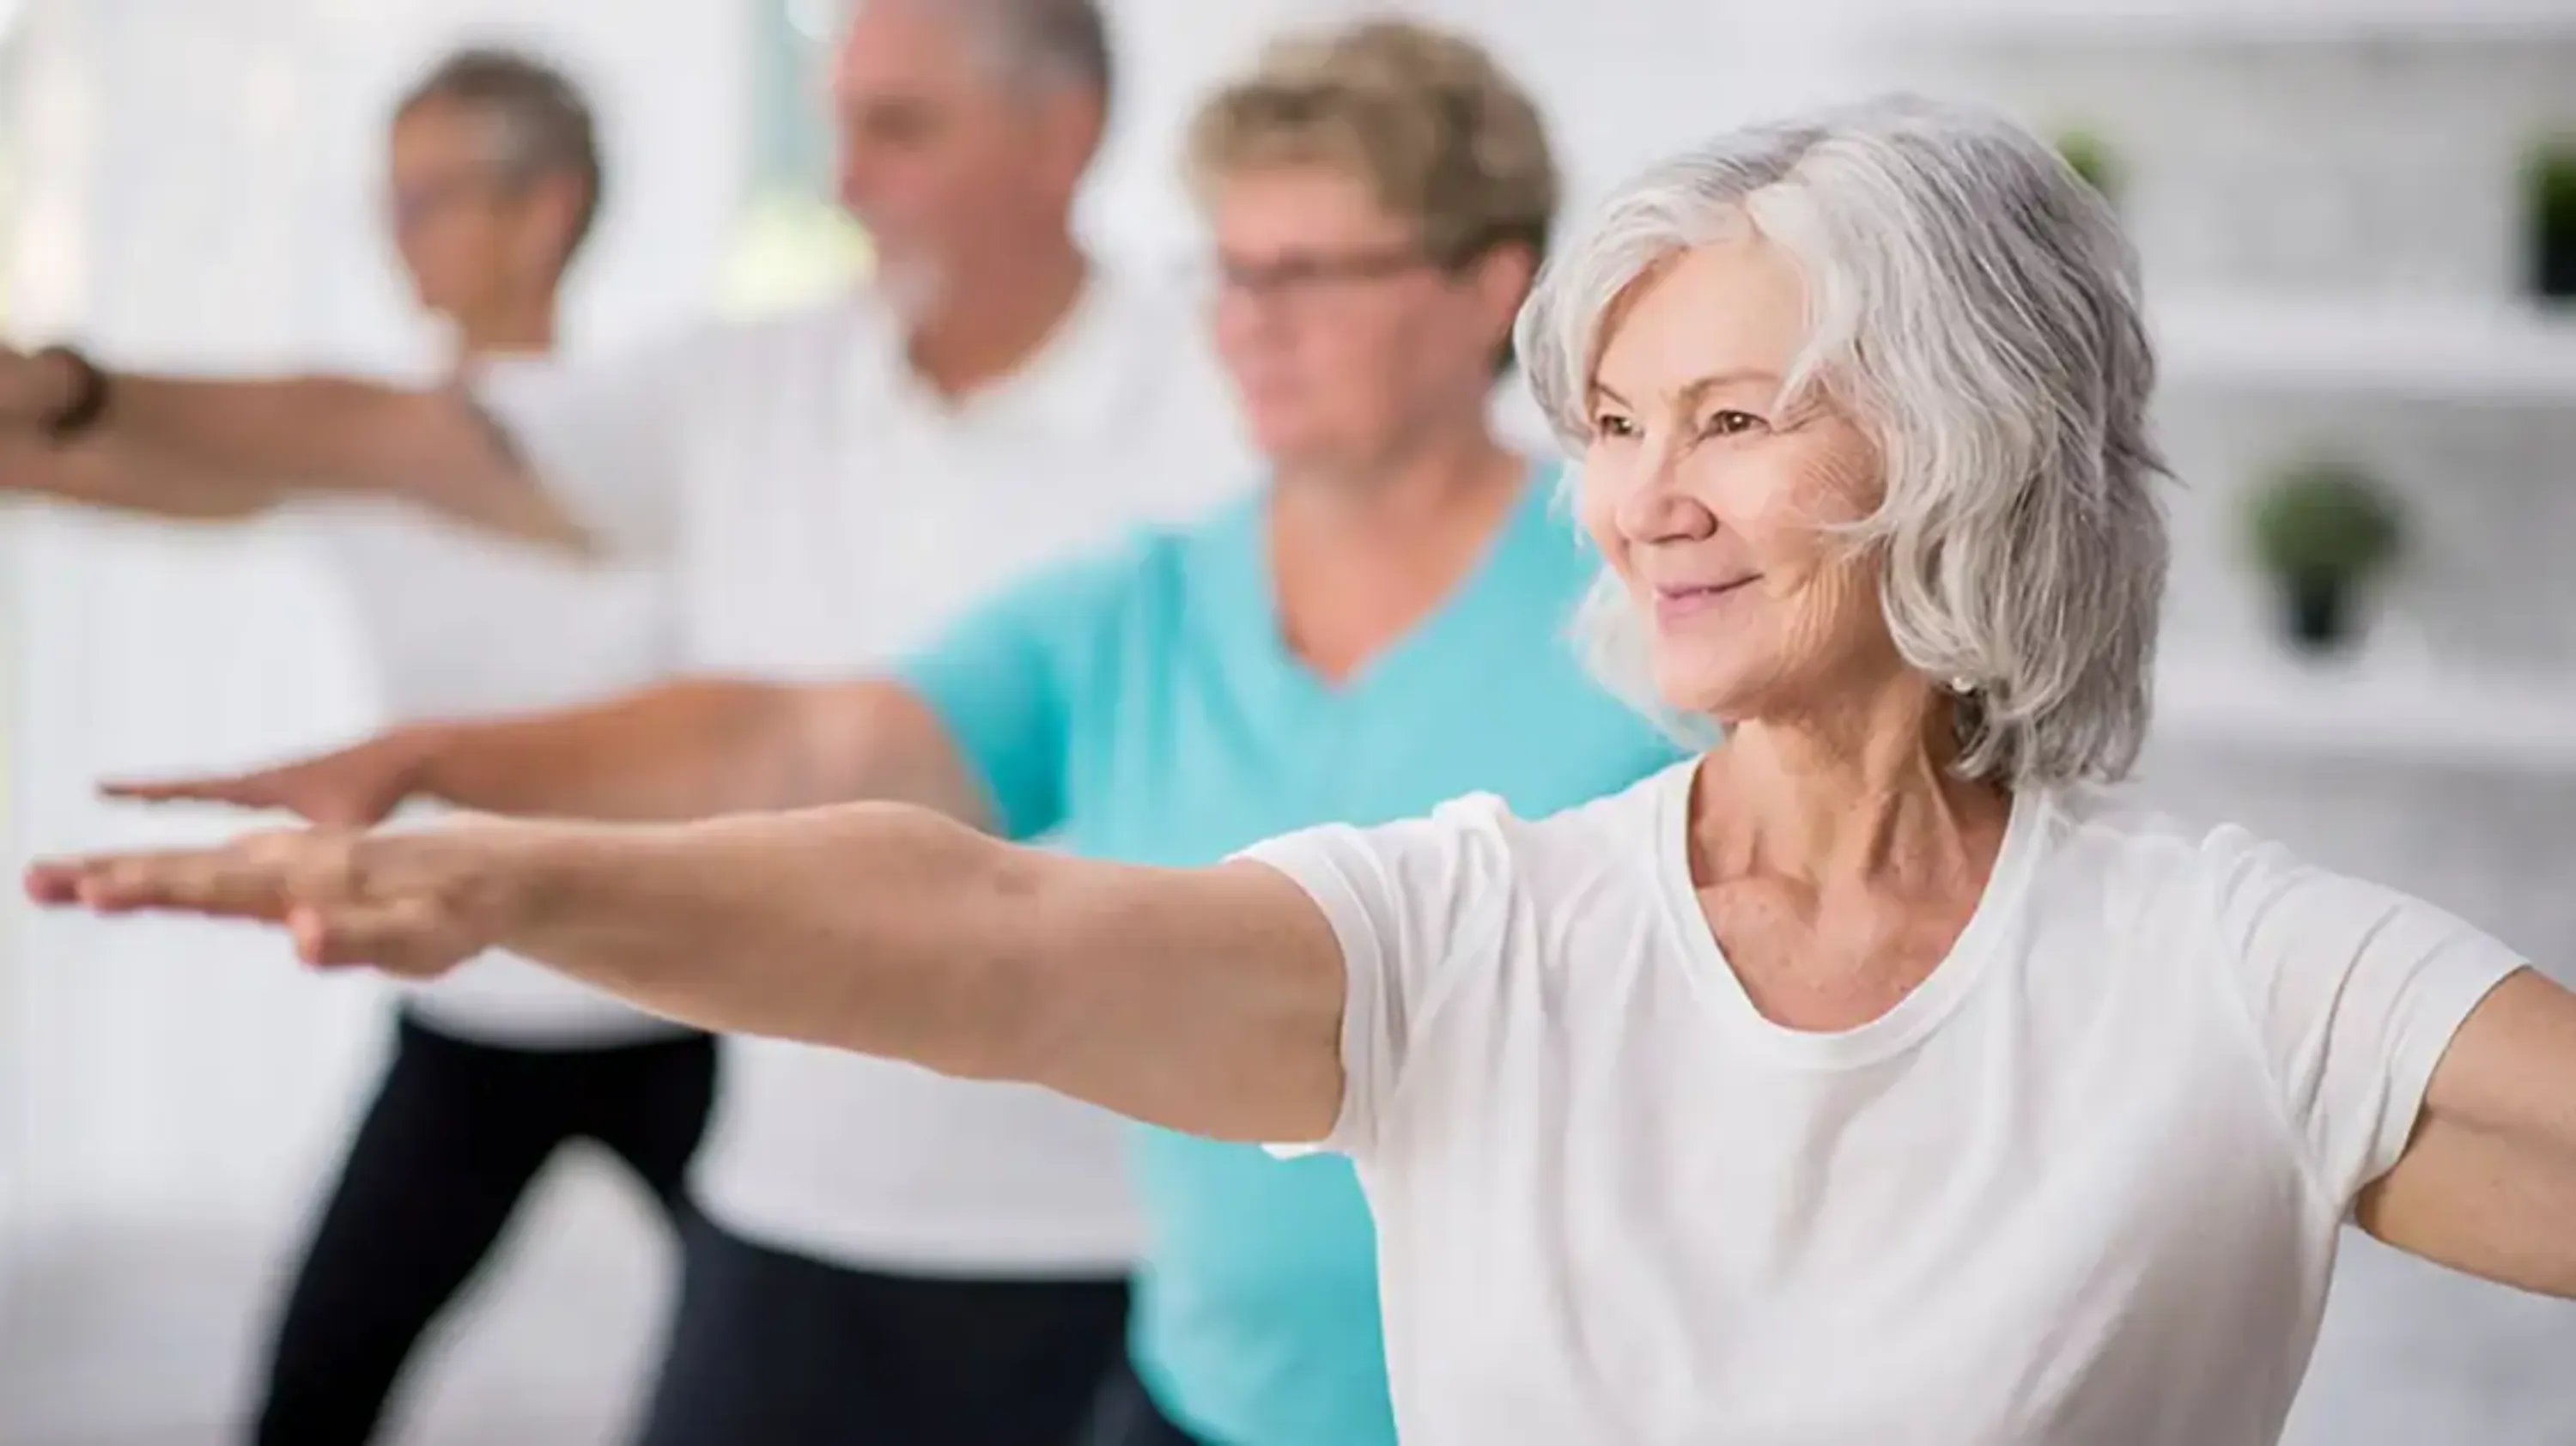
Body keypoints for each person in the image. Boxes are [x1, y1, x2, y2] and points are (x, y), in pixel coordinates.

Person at [34, 93, 2576, 1444]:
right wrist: (516, 868)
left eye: (1734, 418)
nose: (1647, 497)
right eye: (1615, 425)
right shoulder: (1482, 925)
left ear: (1975, 444)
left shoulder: (2228, 969)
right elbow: (987, 929)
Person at [26, 21, 1683, 1446]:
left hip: (1540, 1394)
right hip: (1198, 1386)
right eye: (1231, 271)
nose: (1251, 318)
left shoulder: (1650, 603)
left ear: (1490, 287)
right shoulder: (1140, 605)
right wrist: (444, 775)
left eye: (1307, 273)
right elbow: (808, 749)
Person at [23, 48, 715, 1446]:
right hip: (470, 1012)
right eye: (389, 196)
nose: (394, 233)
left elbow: (396, 438)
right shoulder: (351, 455)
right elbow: (95, 459)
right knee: (314, 1394)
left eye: (429, 196)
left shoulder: (663, 437)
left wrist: (70, 389)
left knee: (769, 1381)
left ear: (544, 210)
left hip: (679, 1009)